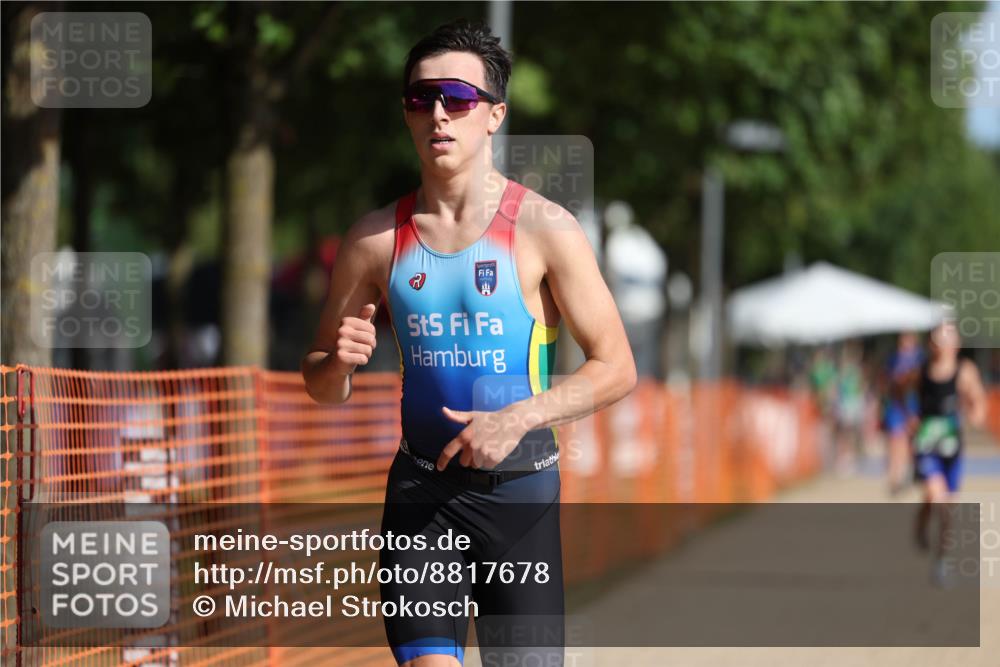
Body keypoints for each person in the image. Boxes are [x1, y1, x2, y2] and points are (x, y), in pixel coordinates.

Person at [301, 20, 637, 667]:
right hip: (421, 496)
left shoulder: (544, 228)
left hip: (520, 501)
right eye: (420, 98)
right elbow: (321, 381)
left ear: (494, 115)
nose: (437, 114)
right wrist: (338, 362)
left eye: (457, 97)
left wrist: (519, 416)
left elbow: (617, 365)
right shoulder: (374, 239)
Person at [911, 321, 986, 585]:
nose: (943, 342)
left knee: (945, 508)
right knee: (937, 496)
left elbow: (978, 402)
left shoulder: (965, 371)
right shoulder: (920, 370)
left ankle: (941, 561)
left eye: (949, 336)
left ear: (957, 343)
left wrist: (974, 414)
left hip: (952, 448)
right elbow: (897, 389)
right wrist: (909, 417)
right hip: (927, 446)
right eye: (938, 336)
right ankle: (921, 527)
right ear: (931, 343)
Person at [881, 332, 923, 495]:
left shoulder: (920, 358)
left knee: (912, 443)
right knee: (895, 441)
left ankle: (908, 474)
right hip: (896, 406)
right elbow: (886, 381)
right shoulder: (893, 358)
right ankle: (894, 478)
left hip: (913, 405)